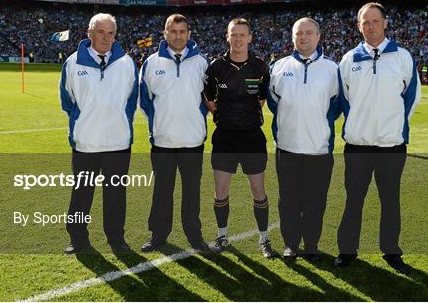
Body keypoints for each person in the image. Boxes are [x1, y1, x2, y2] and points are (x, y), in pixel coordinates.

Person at [335, 2, 421, 274]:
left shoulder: (403, 57)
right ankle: (347, 250)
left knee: (390, 200)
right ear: (359, 26)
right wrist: (360, 125)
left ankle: (391, 252)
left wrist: (391, 125)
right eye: (365, 22)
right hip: (358, 146)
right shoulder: (349, 59)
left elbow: (411, 98)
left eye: (375, 21)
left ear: (385, 22)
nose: (370, 26)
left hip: (391, 146)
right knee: (353, 200)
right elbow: (344, 99)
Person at [60, 13, 138, 254]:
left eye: (111, 33)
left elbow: (131, 100)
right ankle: (78, 239)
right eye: (101, 32)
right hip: (86, 143)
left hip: (118, 143)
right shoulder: (73, 63)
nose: (106, 38)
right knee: (82, 193)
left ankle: (116, 239)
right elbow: (67, 101)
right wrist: (83, 123)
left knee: (116, 194)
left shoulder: (127, 63)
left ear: (115, 35)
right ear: (90, 33)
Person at [267, 17, 342, 262]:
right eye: (299, 33)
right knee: (288, 200)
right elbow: (273, 102)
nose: (304, 37)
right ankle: (290, 244)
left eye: (309, 33)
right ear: (292, 37)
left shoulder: (333, 69)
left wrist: (318, 125)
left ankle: (311, 245)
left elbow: (337, 105)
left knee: (315, 202)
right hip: (287, 147)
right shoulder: (279, 67)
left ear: (319, 37)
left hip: (319, 149)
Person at [139, 14, 213, 254]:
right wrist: (160, 124)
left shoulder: (202, 63)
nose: (178, 36)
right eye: (173, 31)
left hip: (193, 141)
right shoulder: (151, 63)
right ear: (165, 33)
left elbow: (210, 99)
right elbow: (144, 101)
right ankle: (158, 235)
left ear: (189, 34)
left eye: (182, 31)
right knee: (162, 190)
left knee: (192, 192)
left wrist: (196, 120)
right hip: (163, 141)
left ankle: (195, 236)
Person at [203, 18, 275, 258]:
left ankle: (264, 239)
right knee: (221, 190)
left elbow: (262, 99)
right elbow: (209, 98)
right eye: (233, 35)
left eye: (242, 35)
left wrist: (246, 116)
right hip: (224, 138)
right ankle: (222, 236)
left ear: (250, 38)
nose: (238, 39)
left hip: (252, 137)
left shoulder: (260, 66)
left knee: (258, 189)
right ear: (227, 37)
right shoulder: (216, 66)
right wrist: (221, 115)